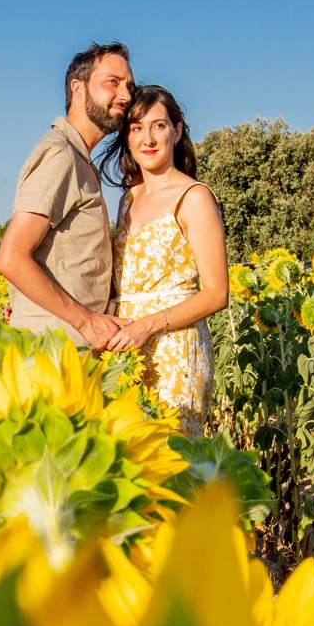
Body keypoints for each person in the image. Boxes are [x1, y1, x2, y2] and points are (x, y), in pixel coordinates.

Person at [101, 85, 228, 435]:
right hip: (125, 352)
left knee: (172, 464)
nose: (148, 138)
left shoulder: (195, 197)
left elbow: (217, 293)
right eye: (137, 128)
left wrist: (148, 325)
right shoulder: (127, 199)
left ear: (177, 130)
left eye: (158, 126)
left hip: (175, 349)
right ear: (127, 137)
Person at [0, 42, 134, 349]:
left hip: (63, 348)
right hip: (53, 354)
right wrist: (87, 321)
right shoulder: (61, 154)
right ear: (79, 87)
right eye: (112, 82)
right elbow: (12, 257)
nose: (125, 95)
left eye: (129, 86)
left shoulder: (79, 158)